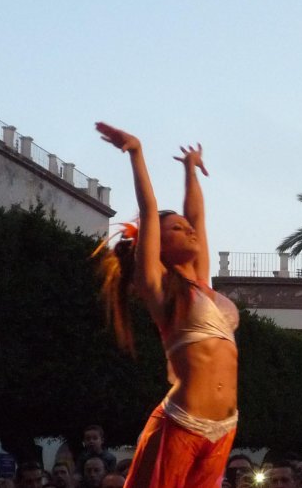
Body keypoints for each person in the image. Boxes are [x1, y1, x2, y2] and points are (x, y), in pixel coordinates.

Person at [95, 123, 239, 488]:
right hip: (182, 421)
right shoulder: (158, 286)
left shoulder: (202, 284)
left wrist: (191, 170)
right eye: (176, 229)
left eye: (186, 227)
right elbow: (150, 206)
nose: (189, 230)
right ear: (156, 245)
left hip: (225, 427)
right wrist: (136, 152)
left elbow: (199, 217)